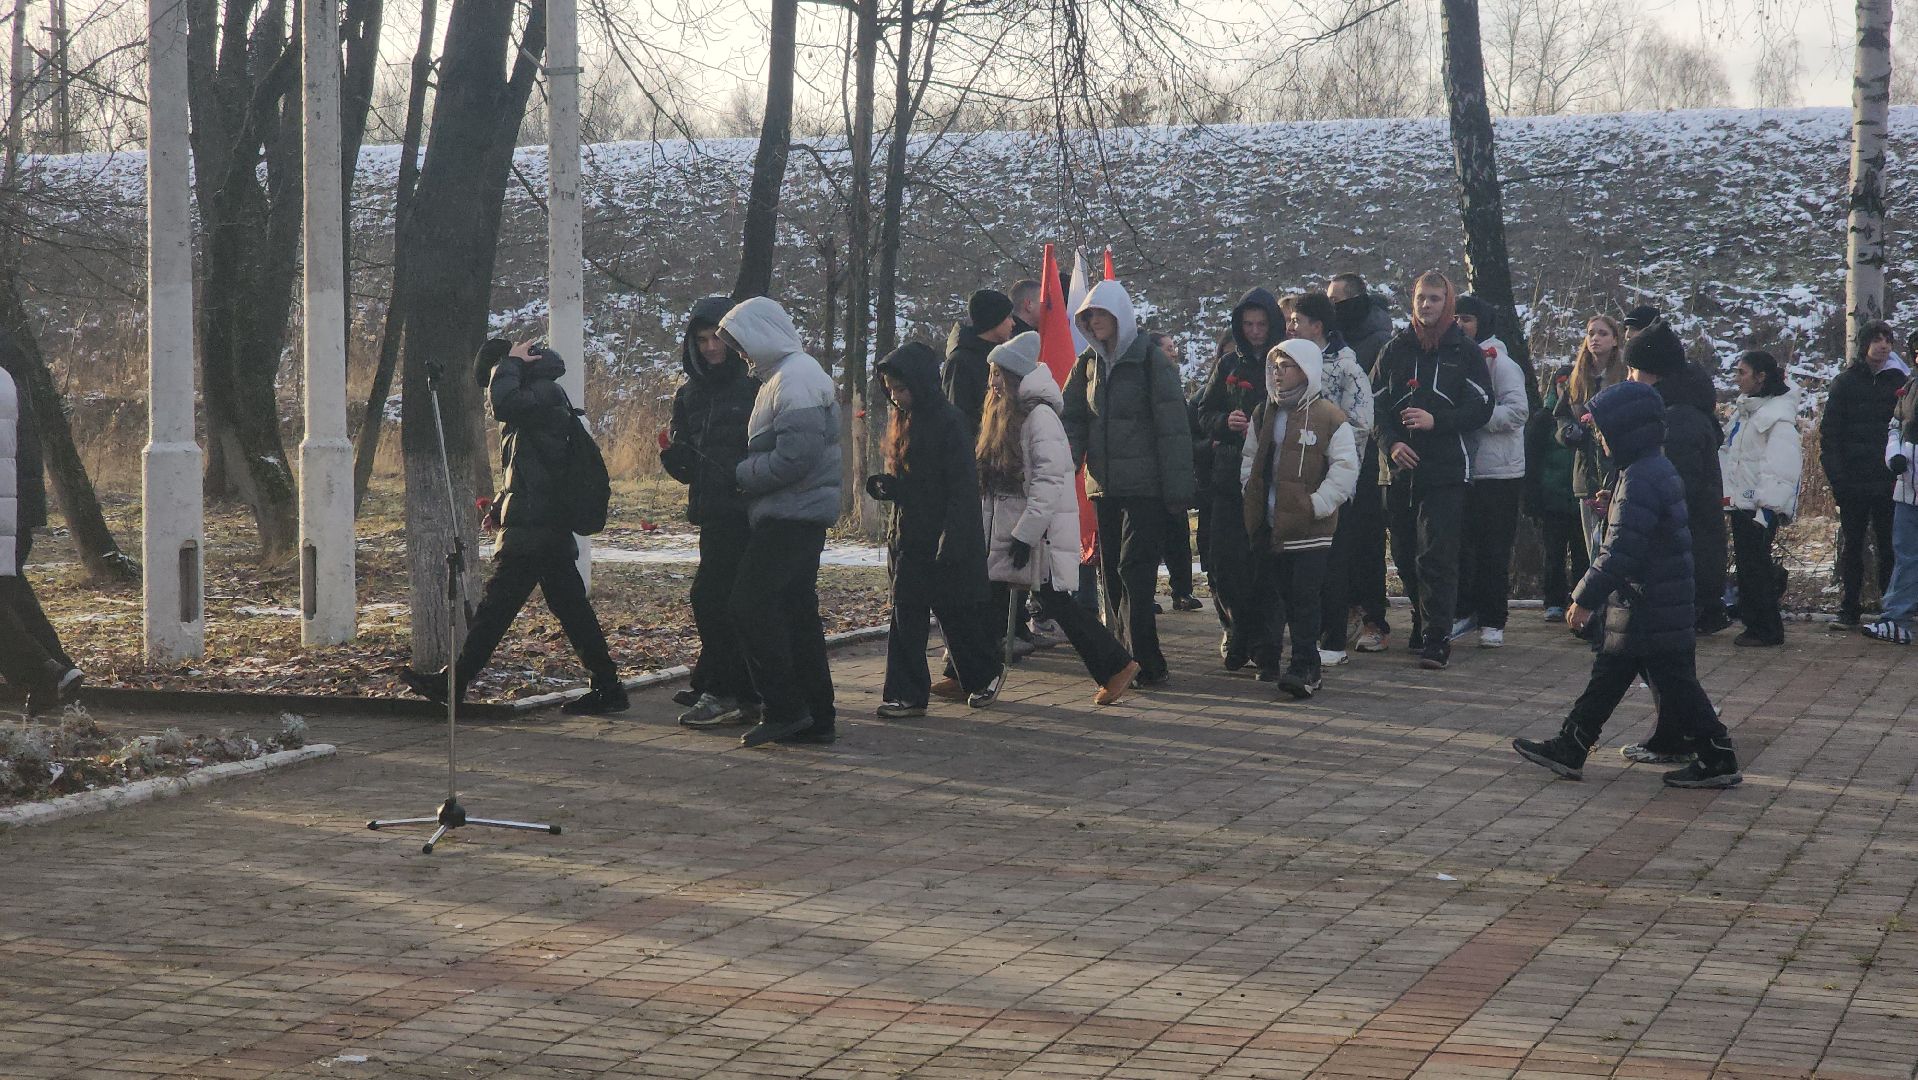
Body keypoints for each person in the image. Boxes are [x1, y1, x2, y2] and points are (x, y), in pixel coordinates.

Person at [1512, 380, 1744, 789]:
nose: (1598, 438)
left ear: (1625, 431)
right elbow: (1638, 531)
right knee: (1612, 673)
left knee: (1674, 683)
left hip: (1648, 600)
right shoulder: (1646, 470)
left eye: (1602, 431)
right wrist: (1612, 506)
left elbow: (1620, 551)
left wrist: (1583, 597)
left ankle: (1718, 756)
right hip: (1650, 598)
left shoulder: (1639, 478)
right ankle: (1573, 744)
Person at [400, 339, 628, 715]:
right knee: (569, 609)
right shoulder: (538, 402)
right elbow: (526, 475)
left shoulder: (538, 395)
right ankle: (608, 686)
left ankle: (453, 682)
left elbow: (504, 403)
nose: (491, 391)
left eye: (494, 378)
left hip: (537, 530)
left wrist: (508, 364)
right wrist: (502, 511)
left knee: (495, 610)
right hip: (539, 525)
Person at [977, 333, 1141, 703]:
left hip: (1035, 536)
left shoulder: (1038, 418)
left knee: (1055, 602)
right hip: (1011, 531)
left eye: (997, 374)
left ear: (1015, 376)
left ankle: (1115, 665)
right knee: (991, 601)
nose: (992, 383)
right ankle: (965, 672)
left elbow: (1049, 483)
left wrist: (1025, 534)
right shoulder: (1008, 417)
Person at [718, 296, 843, 746]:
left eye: (742, 344)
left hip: (793, 513)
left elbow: (796, 458)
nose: (741, 355)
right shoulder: (789, 376)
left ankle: (785, 707)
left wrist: (739, 473)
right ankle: (815, 715)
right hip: (797, 511)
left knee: (749, 604)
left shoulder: (796, 379)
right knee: (795, 612)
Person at [1063, 276, 1196, 688]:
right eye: (1089, 315)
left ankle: (1148, 661)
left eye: (1102, 313)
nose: (1095, 321)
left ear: (1120, 315)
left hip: (1147, 488)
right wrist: (1066, 460)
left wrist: (1177, 491)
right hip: (1103, 486)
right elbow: (1073, 419)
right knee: (1113, 575)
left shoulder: (1150, 360)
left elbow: (1173, 428)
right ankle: (1123, 661)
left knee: (1133, 570)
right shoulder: (1086, 364)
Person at [867, 343, 1004, 717]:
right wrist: (891, 488)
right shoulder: (904, 419)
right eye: (891, 389)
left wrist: (953, 537)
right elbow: (915, 481)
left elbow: (959, 487)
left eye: (901, 388)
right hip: (910, 532)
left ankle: (983, 673)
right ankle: (908, 693)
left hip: (940, 532)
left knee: (953, 611)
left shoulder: (949, 422)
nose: (896, 397)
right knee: (906, 612)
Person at [1374, 270, 1494, 670]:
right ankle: (1421, 617)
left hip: (1446, 468)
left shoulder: (1464, 350)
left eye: (1435, 299)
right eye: (1422, 298)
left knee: (1436, 555)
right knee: (1405, 554)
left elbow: (1482, 406)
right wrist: (1391, 443)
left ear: (1449, 303)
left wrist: (1436, 420)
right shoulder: (1395, 348)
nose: (1427, 305)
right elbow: (1372, 405)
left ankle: (1437, 636)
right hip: (1402, 468)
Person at [659, 297, 763, 728]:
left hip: (747, 510)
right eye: (701, 340)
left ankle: (727, 689)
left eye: (717, 338)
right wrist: (673, 458)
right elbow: (687, 460)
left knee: (715, 599)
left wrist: (744, 478)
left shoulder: (754, 387)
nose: (710, 348)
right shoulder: (690, 393)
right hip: (712, 511)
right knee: (719, 600)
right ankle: (730, 685)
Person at [1240, 338, 1359, 698]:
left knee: (1305, 597)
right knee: (1277, 595)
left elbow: (1345, 468)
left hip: (1311, 529)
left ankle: (1306, 666)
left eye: (1286, 366)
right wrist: (1251, 493)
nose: (1278, 374)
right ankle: (1271, 657)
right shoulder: (1265, 413)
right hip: (1272, 524)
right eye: (1274, 367)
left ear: (1306, 370)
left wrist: (1317, 505)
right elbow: (1249, 459)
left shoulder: (1329, 416)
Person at [1279, 290, 1373, 666]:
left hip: (1334, 482)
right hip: (1294, 482)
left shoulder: (1347, 368)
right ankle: (1306, 635)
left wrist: (1325, 438)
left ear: (1316, 326)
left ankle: (1333, 639)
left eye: (1297, 320)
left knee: (1332, 563)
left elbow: (1362, 423)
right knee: (1300, 564)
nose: (1290, 325)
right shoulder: (1287, 364)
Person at [1621, 319, 1728, 635]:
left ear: (1652, 372)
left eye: (1633, 370)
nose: (1629, 378)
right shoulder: (1676, 409)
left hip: (1680, 553)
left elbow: (1676, 487)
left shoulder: (1677, 419)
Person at [1196, 289, 1283, 668]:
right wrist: (1223, 422)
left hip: (1272, 475)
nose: (1254, 332)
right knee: (1226, 563)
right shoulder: (1229, 363)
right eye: (1247, 325)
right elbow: (1203, 410)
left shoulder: (1286, 362)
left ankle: (1265, 647)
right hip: (1230, 474)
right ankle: (1239, 629)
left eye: (1261, 324)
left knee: (1265, 566)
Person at [0, 348, 81, 715]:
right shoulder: (8, 379)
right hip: (14, 506)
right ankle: (60, 669)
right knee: (10, 591)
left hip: (6, 507)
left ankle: (41, 672)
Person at [1450, 294, 1528, 648]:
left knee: (1494, 549)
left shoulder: (1500, 362)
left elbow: (1517, 412)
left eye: (1467, 318)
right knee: (1465, 547)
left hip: (1499, 472)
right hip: (1465, 468)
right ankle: (1466, 610)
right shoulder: (1455, 358)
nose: (1460, 325)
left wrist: (1477, 418)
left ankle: (1494, 619)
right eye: (1456, 318)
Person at [1821, 320, 1905, 629]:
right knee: (1852, 545)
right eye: (1877, 339)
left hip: (1888, 479)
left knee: (1890, 546)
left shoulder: (1900, 383)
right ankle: (1849, 607)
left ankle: (1891, 609)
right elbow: (1830, 435)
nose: (1883, 345)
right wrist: (1838, 479)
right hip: (1853, 479)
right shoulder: (1845, 383)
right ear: (1864, 344)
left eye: (1887, 340)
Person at [1327, 272, 1394, 652]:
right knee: (1339, 539)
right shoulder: (1332, 342)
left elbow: (1374, 398)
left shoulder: (1379, 342)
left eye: (1337, 300)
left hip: (1367, 457)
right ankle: (1347, 608)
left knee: (1367, 541)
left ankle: (1374, 617)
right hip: (1332, 453)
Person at [1719, 350, 1801, 647]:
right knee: (1748, 566)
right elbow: (1734, 457)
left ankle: (1767, 628)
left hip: (1759, 506)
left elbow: (1781, 466)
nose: (1737, 377)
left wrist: (1768, 509)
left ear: (1761, 377)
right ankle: (1755, 623)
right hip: (1743, 503)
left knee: (1756, 568)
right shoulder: (1747, 410)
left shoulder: (1777, 415)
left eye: (1743, 372)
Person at [1556, 315, 1627, 552]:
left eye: (1603, 333)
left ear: (1615, 340)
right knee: (1593, 548)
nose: (1595, 338)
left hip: (1617, 472)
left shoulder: (1625, 376)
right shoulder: (1577, 377)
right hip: (1586, 473)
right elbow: (1561, 415)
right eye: (1590, 333)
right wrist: (1568, 431)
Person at [1527, 364, 1588, 622]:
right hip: (1551, 499)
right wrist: (1532, 499)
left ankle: (1581, 599)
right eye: (1561, 383)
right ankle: (1553, 601)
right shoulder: (1543, 419)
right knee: (1553, 554)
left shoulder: (1587, 418)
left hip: (1581, 498)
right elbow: (1531, 461)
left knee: (1583, 553)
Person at [1150, 331, 1202, 612]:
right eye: (1168, 348)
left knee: (1178, 537)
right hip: (1151, 477)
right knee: (1151, 540)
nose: (1174, 353)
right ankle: (1147, 595)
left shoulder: (1175, 385)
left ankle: (1182, 591)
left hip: (1175, 475)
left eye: (1175, 347)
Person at [1870, 364, 1918, 645]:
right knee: (1906, 556)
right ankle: (1895, 618)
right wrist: (1895, 456)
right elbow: (1895, 426)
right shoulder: (1910, 385)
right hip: (1907, 489)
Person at [944, 289, 1017, 440]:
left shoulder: (1003, 357)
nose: (1013, 323)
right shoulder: (960, 362)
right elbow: (958, 418)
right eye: (1008, 317)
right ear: (994, 320)